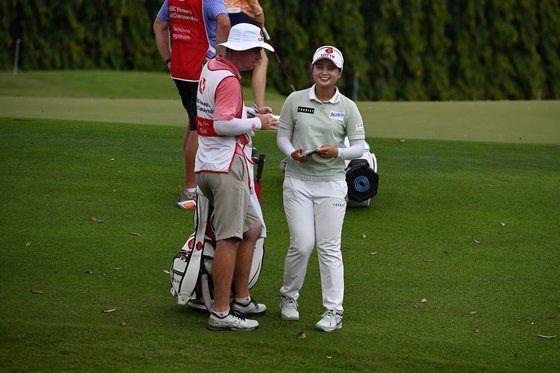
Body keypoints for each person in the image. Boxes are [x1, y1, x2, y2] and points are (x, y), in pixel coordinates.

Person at [276, 46, 366, 332]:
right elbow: (282, 137)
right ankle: (288, 297)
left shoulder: (348, 107)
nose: (324, 72)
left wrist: (337, 153)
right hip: (297, 181)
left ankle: (333, 311)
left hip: (331, 184)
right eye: (319, 66)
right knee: (302, 245)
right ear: (312, 69)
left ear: (339, 73)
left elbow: (359, 147)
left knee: (329, 248)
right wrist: (292, 154)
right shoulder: (295, 99)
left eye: (330, 68)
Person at [195, 23, 277, 331]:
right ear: (239, 50)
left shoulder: (212, 67)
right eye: (255, 51)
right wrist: (258, 125)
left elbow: (221, 114)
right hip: (225, 167)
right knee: (230, 237)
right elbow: (221, 124)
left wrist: (253, 115)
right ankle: (221, 311)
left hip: (209, 164)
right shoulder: (229, 79)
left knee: (252, 229)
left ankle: (240, 298)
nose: (258, 58)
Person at [153, 0, 230, 209]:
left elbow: (159, 26)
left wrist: (168, 59)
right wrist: (219, 58)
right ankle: (189, 190)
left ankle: (193, 180)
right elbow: (224, 23)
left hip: (180, 69)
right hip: (201, 67)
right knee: (199, 126)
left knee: (193, 121)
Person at [224, 0, 268, 108]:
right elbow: (257, 11)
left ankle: (226, 99)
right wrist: (260, 17)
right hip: (238, 15)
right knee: (261, 60)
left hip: (220, 15)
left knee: (226, 57)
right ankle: (260, 106)